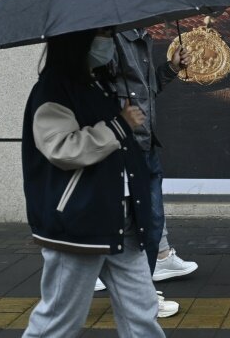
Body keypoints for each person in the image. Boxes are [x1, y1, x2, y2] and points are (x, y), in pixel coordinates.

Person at [22, 28, 165, 337]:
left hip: (122, 217)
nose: (109, 40)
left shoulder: (99, 83)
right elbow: (62, 148)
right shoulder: (53, 89)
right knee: (58, 321)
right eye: (102, 33)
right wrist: (118, 126)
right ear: (77, 40)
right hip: (79, 222)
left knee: (142, 312)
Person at [92, 28, 198, 312]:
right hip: (126, 148)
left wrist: (173, 67)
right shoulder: (112, 41)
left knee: (150, 225)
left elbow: (147, 89)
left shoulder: (141, 38)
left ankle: (142, 292)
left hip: (146, 145)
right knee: (133, 226)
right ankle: (137, 295)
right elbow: (98, 91)